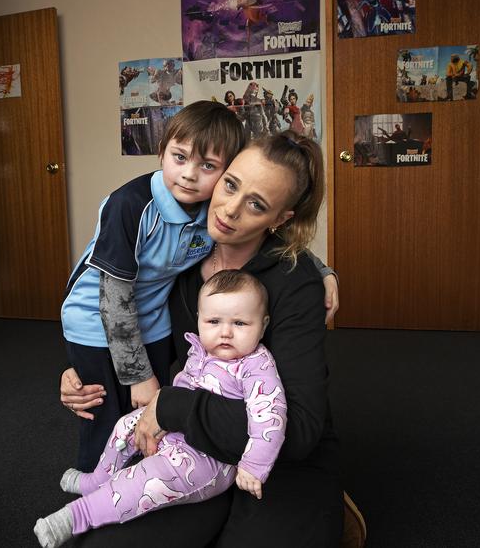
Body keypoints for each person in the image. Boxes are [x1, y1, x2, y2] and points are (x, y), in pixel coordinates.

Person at [60, 130, 343, 547]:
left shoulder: (295, 281)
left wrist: (173, 405)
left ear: (279, 219)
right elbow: (133, 325)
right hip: (190, 448)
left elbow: (299, 432)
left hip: (275, 453)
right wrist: (82, 369)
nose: (229, 209)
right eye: (230, 184)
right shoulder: (184, 256)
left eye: (256, 204)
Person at [35, 270, 286, 548]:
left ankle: (78, 516)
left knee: (144, 480)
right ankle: (97, 480)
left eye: (240, 323)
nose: (225, 332)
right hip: (175, 430)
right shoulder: (200, 349)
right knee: (124, 426)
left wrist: (254, 465)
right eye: (214, 321)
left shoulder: (255, 365)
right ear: (200, 319)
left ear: (262, 327)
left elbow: (270, 416)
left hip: (207, 460)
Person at [62, 100, 245, 472]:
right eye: (179, 157)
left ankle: (147, 488)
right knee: (109, 425)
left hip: (153, 320)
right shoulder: (129, 205)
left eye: (208, 166)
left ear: (226, 173)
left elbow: (267, 232)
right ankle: (94, 501)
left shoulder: (214, 207)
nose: (190, 175)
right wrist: (139, 375)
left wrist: (322, 272)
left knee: (154, 419)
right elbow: (113, 301)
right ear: (162, 152)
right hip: (96, 321)